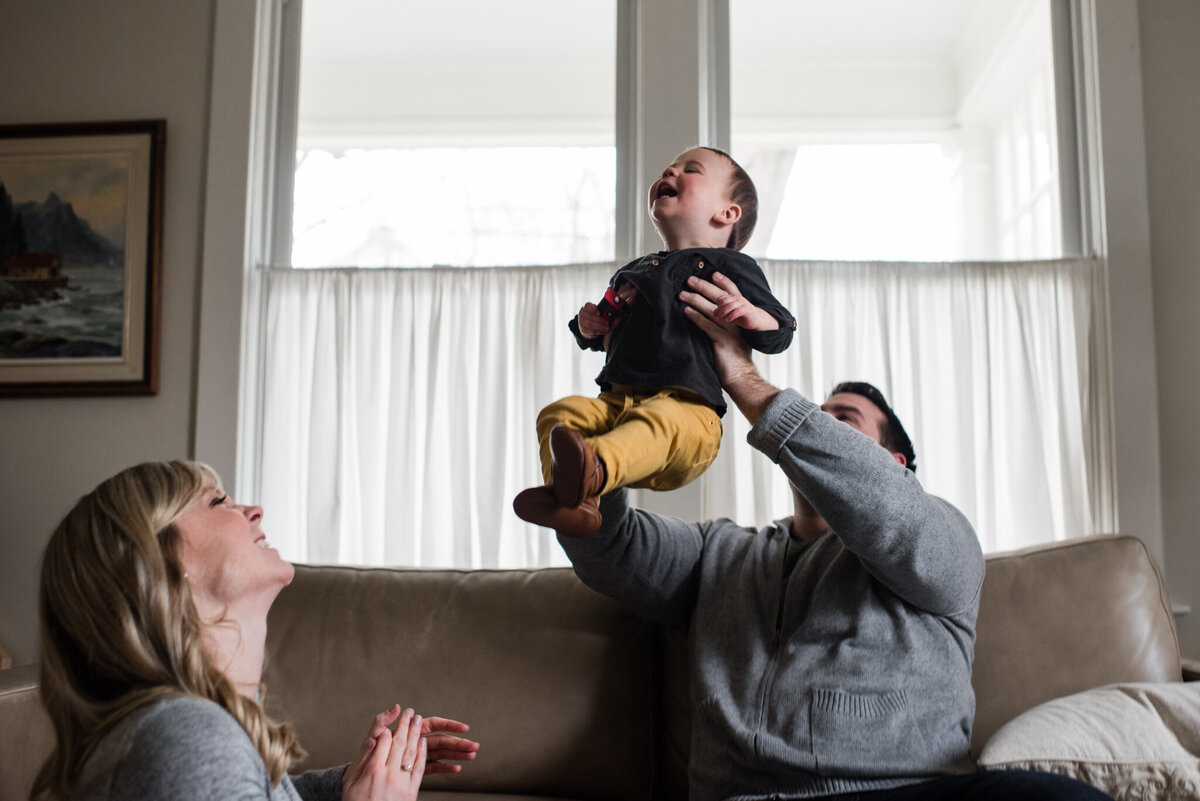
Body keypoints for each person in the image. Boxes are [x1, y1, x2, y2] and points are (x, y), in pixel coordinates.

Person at [551, 273, 1113, 801]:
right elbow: (615, 551)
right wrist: (609, 426)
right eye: (814, 417)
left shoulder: (943, 535)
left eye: (840, 420)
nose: (813, 426)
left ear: (896, 462)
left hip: (908, 791)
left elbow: (896, 517)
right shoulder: (720, 553)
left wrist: (745, 380)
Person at [33, 460, 480, 801]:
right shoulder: (187, 736)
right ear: (159, 563)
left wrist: (347, 784)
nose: (253, 510)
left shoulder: (192, 727)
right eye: (216, 502)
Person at [513, 145, 796, 538]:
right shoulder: (635, 271)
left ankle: (594, 471)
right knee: (561, 413)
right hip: (615, 404)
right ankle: (576, 505)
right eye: (669, 166)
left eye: (690, 169)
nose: (670, 170)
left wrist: (751, 314)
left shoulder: (732, 268)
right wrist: (588, 324)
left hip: (688, 414)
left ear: (727, 213)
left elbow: (781, 329)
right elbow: (602, 330)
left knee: (657, 421)